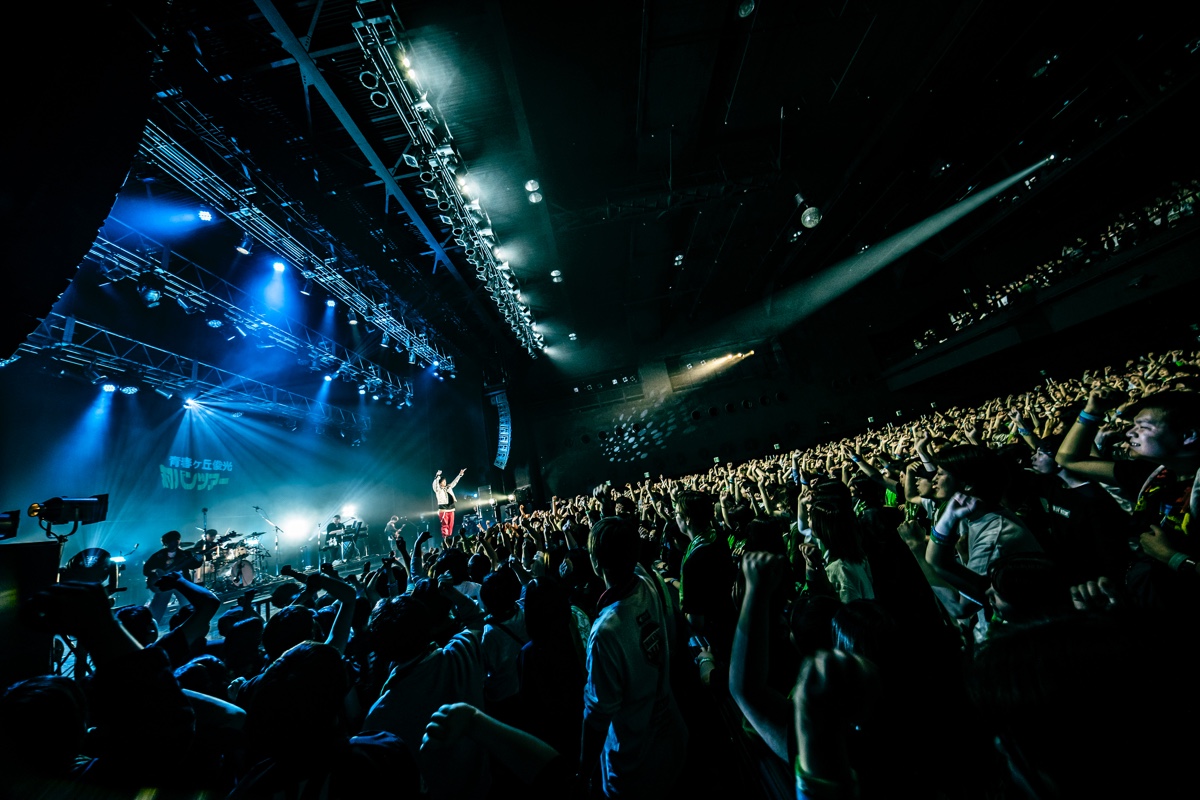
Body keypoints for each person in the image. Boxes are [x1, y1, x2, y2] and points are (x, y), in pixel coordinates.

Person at [581, 516, 687, 797]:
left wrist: (583, 773)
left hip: (632, 765)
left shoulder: (606, 631)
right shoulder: (646, 582)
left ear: (595, 562)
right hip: (669, 741)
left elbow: (597, 716)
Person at [142, 530, 201, 626]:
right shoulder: (158, 555)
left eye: (177, 540)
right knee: (157, 609)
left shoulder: (185, 554)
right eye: (172, 541)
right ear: (166, 543)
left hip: (182, 582)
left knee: (188, 606)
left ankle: (190, 626)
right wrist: (155, 571)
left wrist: (199, 560)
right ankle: (150, 627)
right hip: (165, 584)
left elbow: (193, 565)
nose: (175, 543)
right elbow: (146, 569)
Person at [434, 468, 466, 542]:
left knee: (451, 524)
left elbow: (454, 482)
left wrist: (460, 475)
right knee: (445, 525)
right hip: (443, 509)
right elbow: (435, 485)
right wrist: (437, 476)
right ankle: (446, 538)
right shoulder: (438, 490)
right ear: (440, 483)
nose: (445, 482)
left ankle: (449, 538)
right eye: (443, 481)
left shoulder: (448, 487)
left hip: (451, 508)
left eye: (445, 481)